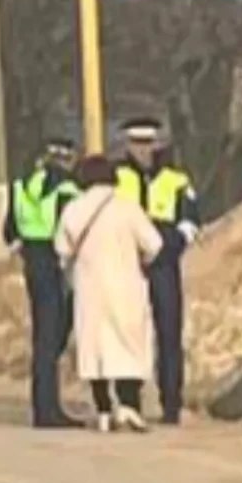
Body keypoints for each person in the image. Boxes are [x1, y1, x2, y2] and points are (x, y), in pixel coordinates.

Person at [55, 154, 163, 433]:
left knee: (96, 350)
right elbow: (154, 244)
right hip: (126, 287)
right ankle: (128, 406)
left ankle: (103, 409)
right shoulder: (128, 207)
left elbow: (62, 249)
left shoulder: (74, 209)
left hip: (89, 289)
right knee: (128, 346)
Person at [113, 117, 201, 425]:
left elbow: (190, 223)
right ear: (127, 145)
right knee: (128, 332)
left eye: (147, 143)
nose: (142, 151)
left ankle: (171, 403)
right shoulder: (116, 177)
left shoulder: (176, 180)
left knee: (168, 332)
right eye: (136, 144)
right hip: (127, 266)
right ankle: (128, 399)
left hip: (164, 265)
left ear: (157, 144)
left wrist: (167, 249)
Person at [4, 136, 80, 429]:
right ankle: (50, 411)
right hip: (56, 263)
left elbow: (9, 230)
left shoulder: (21, 185)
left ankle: (43, 405)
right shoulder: (67, 188)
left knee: (42, 336)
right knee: (54, 334)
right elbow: (69, 229)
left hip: (32, 262)